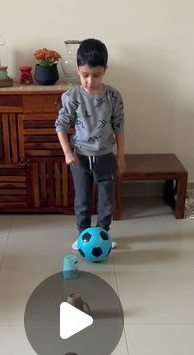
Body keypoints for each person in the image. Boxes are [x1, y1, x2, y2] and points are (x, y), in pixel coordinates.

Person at [55, 38, 125, 250]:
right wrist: (67, 152)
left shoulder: (113, 96)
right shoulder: (72, 97)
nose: (90, 81)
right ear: (78, 70)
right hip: (80, 158)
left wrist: (121, 157)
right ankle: (83, 235)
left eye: (96, 75)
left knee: (106, 202)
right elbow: (60, 126)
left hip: (105, 157)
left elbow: (119, 127)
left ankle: (103, 235)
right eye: (85, 75)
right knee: (82, 202)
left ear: (105, 70)